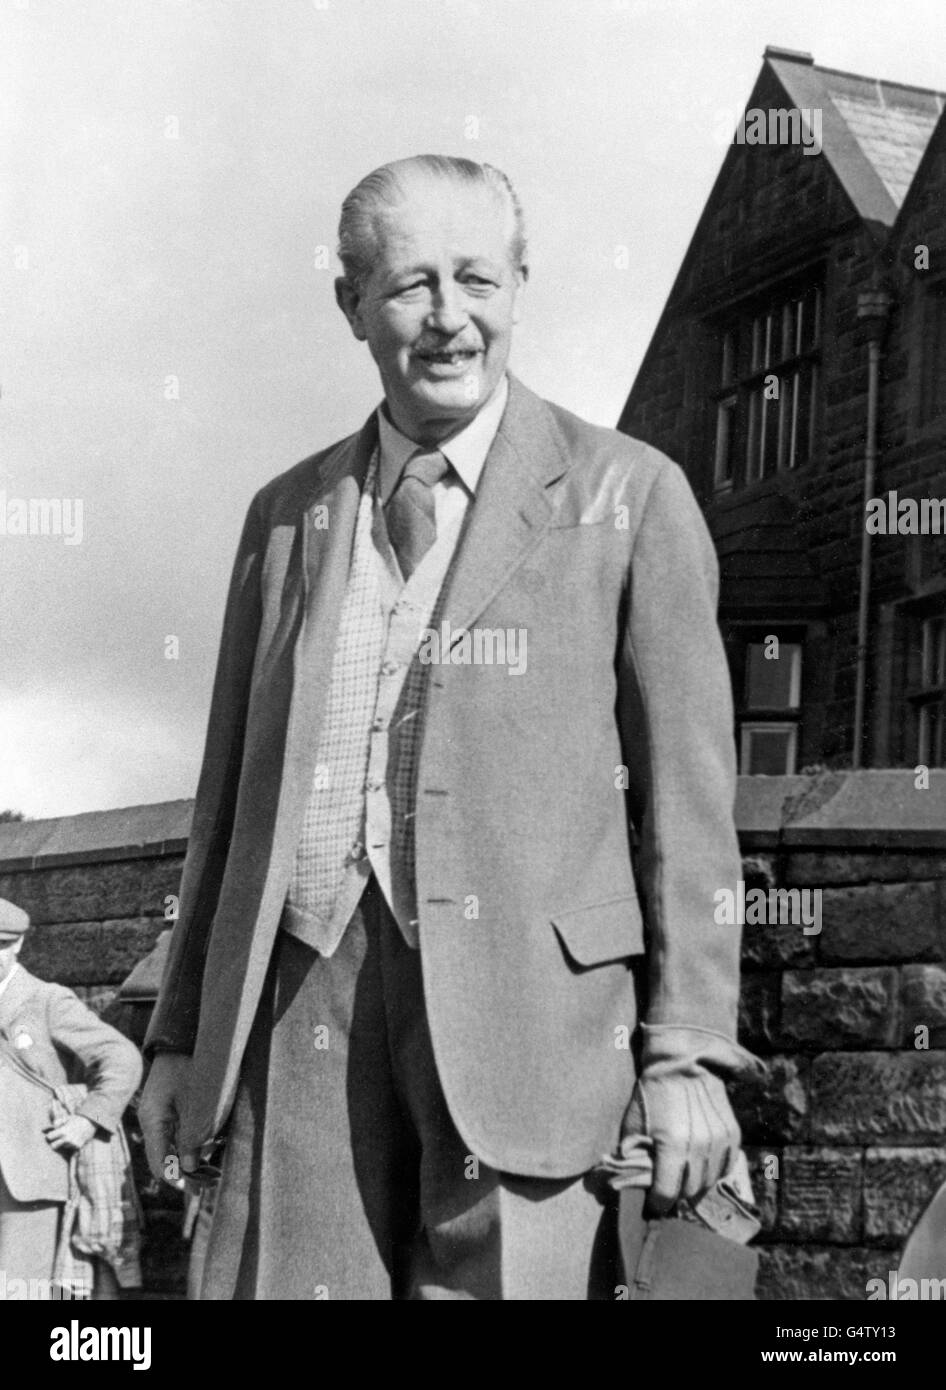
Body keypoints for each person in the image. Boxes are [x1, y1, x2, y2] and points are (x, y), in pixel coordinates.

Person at [140, 154, 757, 1300]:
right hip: (299, 1006)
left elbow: (688, 804)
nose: (447, 317)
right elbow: (225, 801)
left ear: (521, 284)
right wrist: (179, 1035)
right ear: (351, 306)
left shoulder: (631, 494)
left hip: (535, 1028)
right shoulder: (285, 515)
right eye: (409, 285)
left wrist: (686, 1054)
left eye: (477, 278)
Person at [0, 896, 143, 1298]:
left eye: (1, 945)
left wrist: (88, 1119)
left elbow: (122, 1058)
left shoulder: (46, 1000)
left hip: (26, 1176)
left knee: (17, 1292)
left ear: (19, 946)